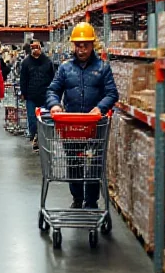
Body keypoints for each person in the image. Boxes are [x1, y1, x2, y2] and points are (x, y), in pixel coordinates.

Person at [46, 22, 119, 209]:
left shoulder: (103, 68)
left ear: (92, 44)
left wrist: (100, 108)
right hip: (73, 126)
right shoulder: (65, 68)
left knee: (94, 163)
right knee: (74, 162)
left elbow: (112, 93)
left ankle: (92, 201)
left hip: (95, 125)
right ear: (74, 45)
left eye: (85, 44)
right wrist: (54, 104)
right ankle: (77, 198)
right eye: (78, 45)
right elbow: (53, 90)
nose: (81, 49)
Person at [19, 39, 55, 152]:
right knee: (32, 119)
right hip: (31, 96)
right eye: (33, 47)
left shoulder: (48, 62)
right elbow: (23, 79)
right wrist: (23, 93)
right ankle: (34, 137)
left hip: (45, 96)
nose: (35, 49)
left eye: (37, 47)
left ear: (40, 48)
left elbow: (53, 78)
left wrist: (53, 93)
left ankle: (41, 139)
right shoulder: (26, 63)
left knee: (45, 119)